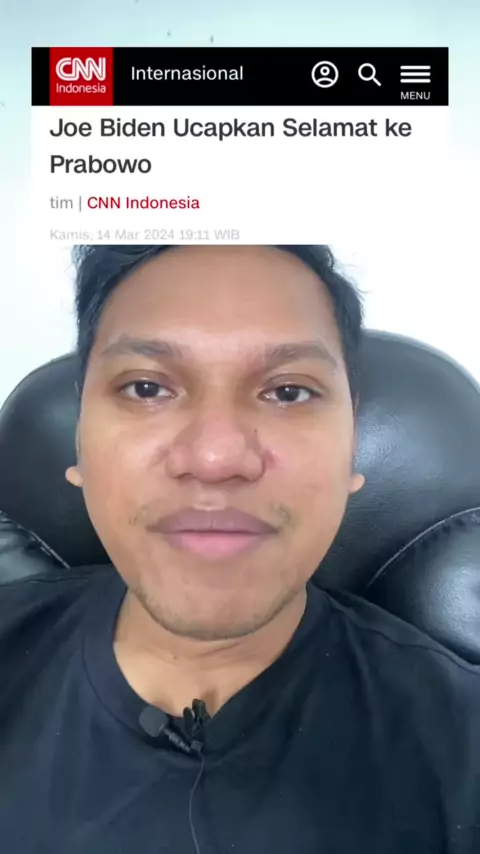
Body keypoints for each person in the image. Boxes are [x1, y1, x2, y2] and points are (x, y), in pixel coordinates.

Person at [0, 244, 479, 854]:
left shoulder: (462, 748)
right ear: (79, 448)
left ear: (350, 452)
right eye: (146, 387)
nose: (215, 457)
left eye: (289, 392)